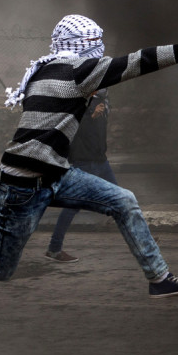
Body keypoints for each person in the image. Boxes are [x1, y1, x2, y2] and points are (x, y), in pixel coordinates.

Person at [0, 12, 178, 303]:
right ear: (81, 47)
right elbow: (138, 61)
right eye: (94, 45)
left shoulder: (45, 69)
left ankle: (159, 280)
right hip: (19, 187)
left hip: (57, 175)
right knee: (0, 268)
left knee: (123, 201)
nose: (99, 52)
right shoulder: (79, 71)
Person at [44, 88, 114, 264]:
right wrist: (91, 117)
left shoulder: (103, 101)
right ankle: (54, 248)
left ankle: (146, 239)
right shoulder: (79, 101)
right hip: (84, 161)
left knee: (120, 199)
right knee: (72, 206)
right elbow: (72, 127)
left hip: (99, 160)